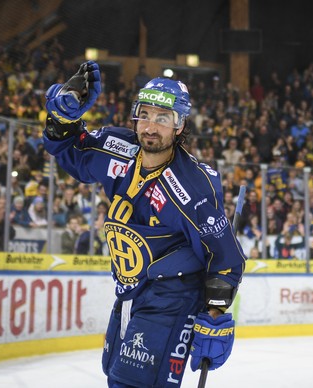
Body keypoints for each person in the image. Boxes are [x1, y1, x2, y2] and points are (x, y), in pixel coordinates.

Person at [43, 62, 246, 387]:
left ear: (179, 125)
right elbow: (69, 148)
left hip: (172, 296)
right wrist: (63, 116)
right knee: (115, 375)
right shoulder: (116, 148)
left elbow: (223, 257)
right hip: (128, 292)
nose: (151, 126)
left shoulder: (193, 186)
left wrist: (216, 313)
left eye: (163, 118)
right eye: (145, 114)